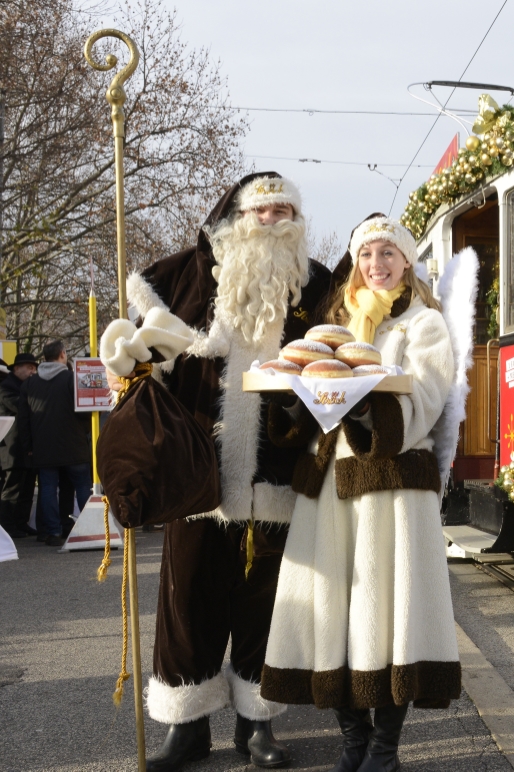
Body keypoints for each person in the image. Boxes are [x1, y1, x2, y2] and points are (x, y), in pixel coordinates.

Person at [102, 172, 332, 772]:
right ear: (236, 216)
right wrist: (135, 362)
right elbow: (143, 359)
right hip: (197, 476)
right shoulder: (183, 276)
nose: (277, 218)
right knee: (187, 603)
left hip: (279, 472)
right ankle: (186, 728)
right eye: (264, 210)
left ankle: (259, 725)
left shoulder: (316, 283)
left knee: (270, 607)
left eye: (286, 209)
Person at [261, 216, 461, 772]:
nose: (377, 263)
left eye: (388, 252)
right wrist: (293, 400)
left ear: (406, 262)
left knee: (389, 618)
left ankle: (384, 749)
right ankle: (352, 740)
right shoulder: (336, 325)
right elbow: (310, 409)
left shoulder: (424, 325)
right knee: (336, 617)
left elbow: (427, 399)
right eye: (367, 253)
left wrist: (370, 403)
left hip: (391, 488)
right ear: (355, 263)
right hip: (329, 490)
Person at [19, 341, 91, 547]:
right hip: (74, 444)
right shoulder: (72, 379)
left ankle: (51, 531)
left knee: (48, 489)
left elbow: (24, 420)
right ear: (62, 354)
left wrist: (29, 447)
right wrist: (84, 431)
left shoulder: (30, 384)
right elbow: (85, 411)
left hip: (44, 447)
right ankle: (88, 528)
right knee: (82, 486)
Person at [0, 352, 39, 538]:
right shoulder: (6, 387)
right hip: (12, 449)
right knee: (12, 489)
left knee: (27, 489)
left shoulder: (26, 387)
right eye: (29, 368)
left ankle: (21, 523)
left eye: (34, 368)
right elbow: (20, 407)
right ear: (16, 369)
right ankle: (8, 526)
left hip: (26, 448)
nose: (33, 371)